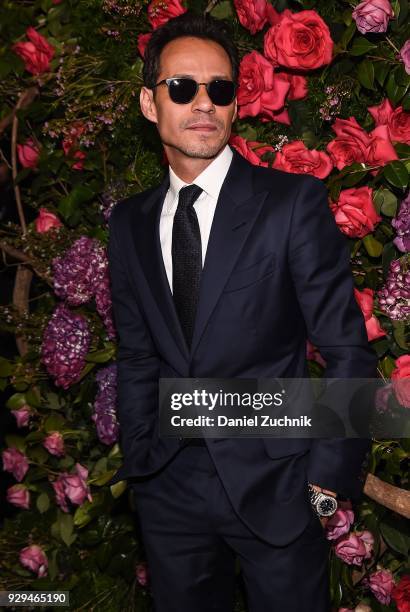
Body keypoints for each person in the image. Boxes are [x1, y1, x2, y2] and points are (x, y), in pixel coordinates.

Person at [107, 11, 377, 612]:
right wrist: (141, 458)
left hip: (279, 486)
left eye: (220, 89)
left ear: (235, 104)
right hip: (168, 487)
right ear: (150, 104)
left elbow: (348, 350)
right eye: (182, 87)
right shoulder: (128, 223)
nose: (203, 103)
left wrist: (326, 483)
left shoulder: (292, 203)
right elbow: (136, 353)